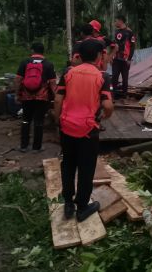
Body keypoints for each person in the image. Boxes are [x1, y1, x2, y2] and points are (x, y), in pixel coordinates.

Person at [54, 40, 114, 222]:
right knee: (86, 168)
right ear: (98, 56)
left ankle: (68, 204)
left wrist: (59, 120)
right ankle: (82, 207)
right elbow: (107, 104)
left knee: (68, 165)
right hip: (88, 130)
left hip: (67, 127)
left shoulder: (68, 73)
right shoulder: (101, 77)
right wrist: (106, 115)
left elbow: (57, 100)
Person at [15, 42, 57, 152]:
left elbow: (18, 80)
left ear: (32, 50)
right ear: (43, 51)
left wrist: (17, 94)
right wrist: (56, 96)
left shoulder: (25, 62)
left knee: (26, 120)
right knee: (39, 121)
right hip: (42, 97)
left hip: (26, 97)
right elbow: (52, 83)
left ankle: (24, 146)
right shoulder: (48, 64)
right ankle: (36, 147)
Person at [112, 15, 136, 99]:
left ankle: (124, 96)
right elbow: (114, 45)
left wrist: (129, 59)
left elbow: (133, 46)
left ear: (121, 21)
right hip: (116, 59)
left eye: (116, 20)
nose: (115, 22)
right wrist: (112, 56)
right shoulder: (116, 32)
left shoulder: (129, 32)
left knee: (125, 79)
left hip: (125, 60)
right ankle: (113, 95)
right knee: (114, 77)